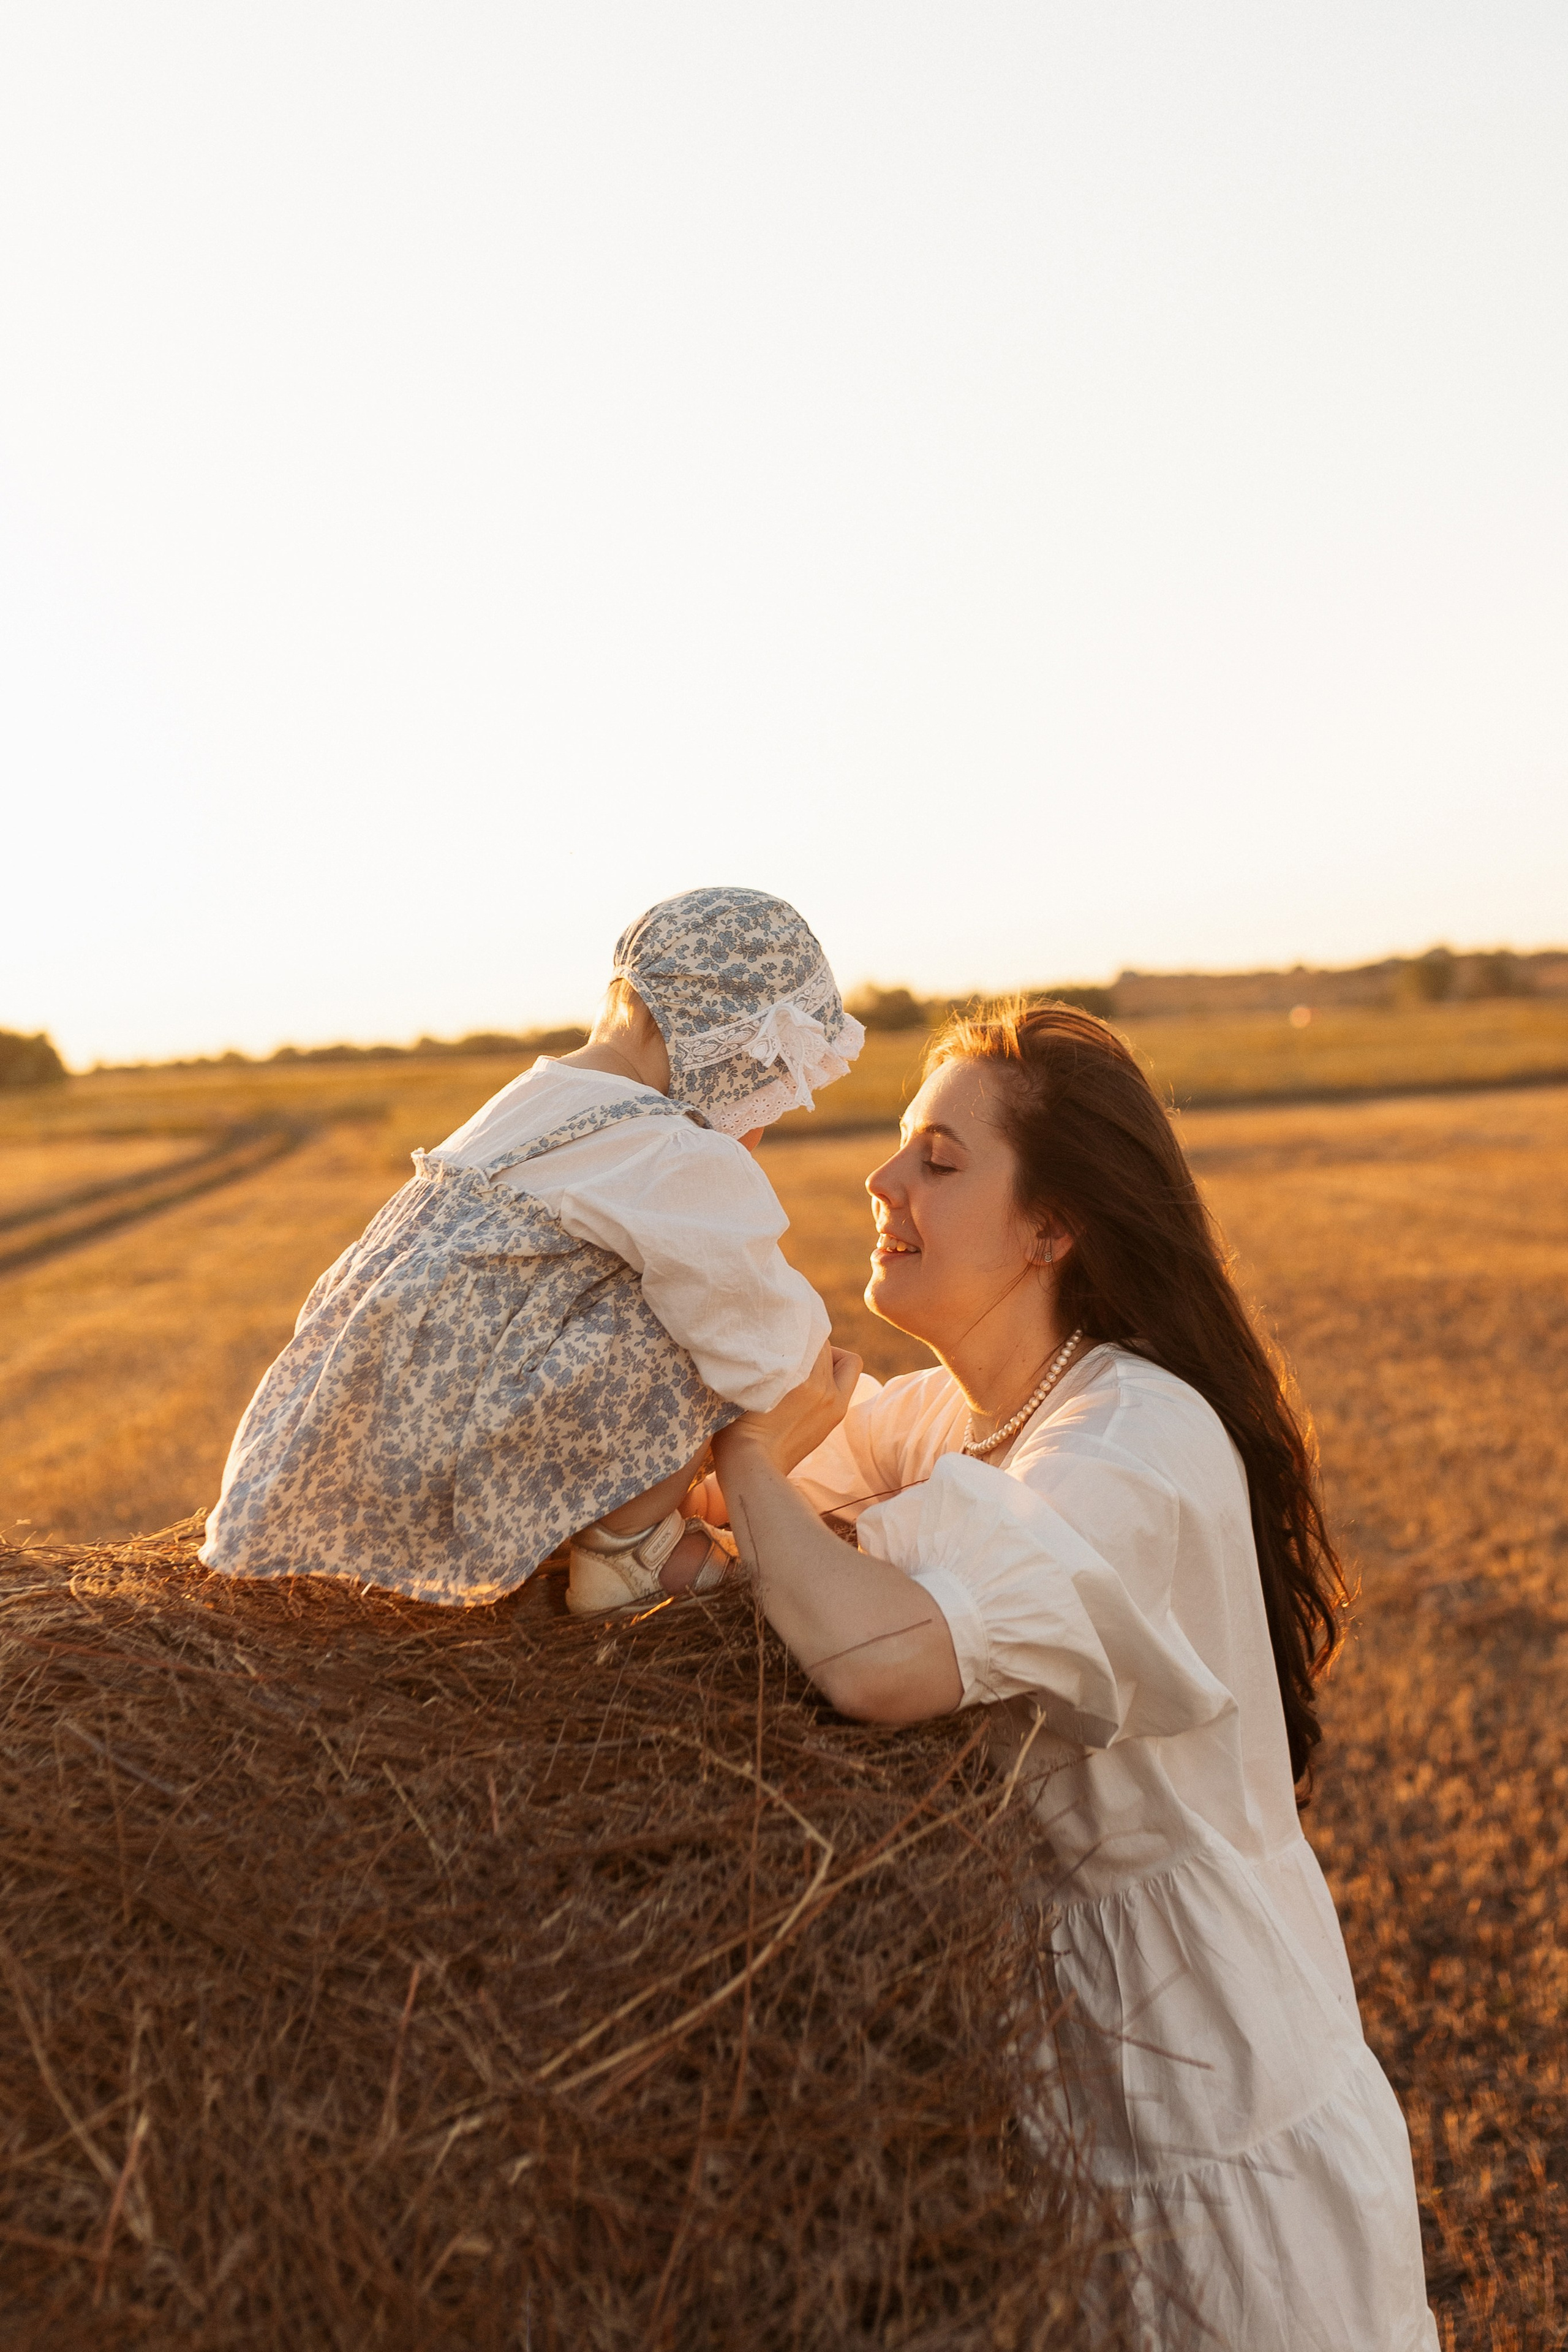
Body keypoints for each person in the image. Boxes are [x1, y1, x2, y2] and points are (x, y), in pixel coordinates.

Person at [709, 1003, 1438, 2351]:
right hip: (1059, 2063)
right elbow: (746, 1537)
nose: (882, 1185)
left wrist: (750, 1466)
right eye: (895, 1153)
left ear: (1050, 1230)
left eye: (937, 1160)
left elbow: (875, 1659)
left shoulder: (1129, 1441)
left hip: (1212, 2085)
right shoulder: (961, 1416)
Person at [200, 886, 863, 1613]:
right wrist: (816, 1398)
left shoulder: (528, 1100)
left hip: (354, 1438)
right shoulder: (669, 1148)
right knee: (717, 1304)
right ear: (733, 1052)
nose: (759, 1127)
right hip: (473, 1438)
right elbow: (761, 1331)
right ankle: (633, 1548)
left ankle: (559, 1524)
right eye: (768, 1095)